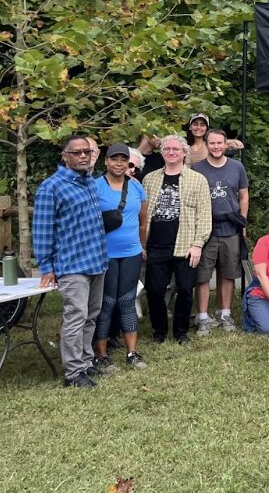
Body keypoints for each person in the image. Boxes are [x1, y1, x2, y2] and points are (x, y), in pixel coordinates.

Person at [33, 135, 109, 388]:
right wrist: (46, 266)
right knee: (75, 317)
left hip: (96, 261)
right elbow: (42, 229)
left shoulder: (89, 183)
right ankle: (73, 373)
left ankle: (86, 363)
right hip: (71, 264)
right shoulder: (51, 187)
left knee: (91, 315)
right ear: (65, 156)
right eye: (77, 153)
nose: (83, 156)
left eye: (87, 152)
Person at [142, 135, 212, 345]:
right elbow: (143, 215)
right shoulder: (150, 179)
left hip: (185, 244)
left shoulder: (197, 179)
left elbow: (205, 214)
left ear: (184, 153)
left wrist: (198, 244)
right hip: (156, 243)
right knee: (154, 290)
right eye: (167, 149)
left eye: (175, 149)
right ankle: (159, 331)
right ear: (162, 152)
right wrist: (142, 243)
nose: (171, 152)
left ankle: (181, 332)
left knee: (184, 289)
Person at [93, 144, 149, 373]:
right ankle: (101, 355)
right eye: (114, 159)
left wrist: (142, 246)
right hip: (104, 254)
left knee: (126, 300)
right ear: (105, 162)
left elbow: (144, 221)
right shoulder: (95, 187)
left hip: (131, 252)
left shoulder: (136, 187)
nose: (118, 163)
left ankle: (131, 352)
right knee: (106, 303)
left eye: (123, 159)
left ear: (129, 163)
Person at [191, 128, 249, 335]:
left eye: (219, 143)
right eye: (212, 143)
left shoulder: (237, 167)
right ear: (206, 144)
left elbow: (243, 195)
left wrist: (243, 222)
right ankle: (203, 317)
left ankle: (225, 313)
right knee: (203, 275)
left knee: (228, 273)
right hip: (206, 229)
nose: (216, 147)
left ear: (226, 144)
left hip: (231, 227)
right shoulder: (197, 169)